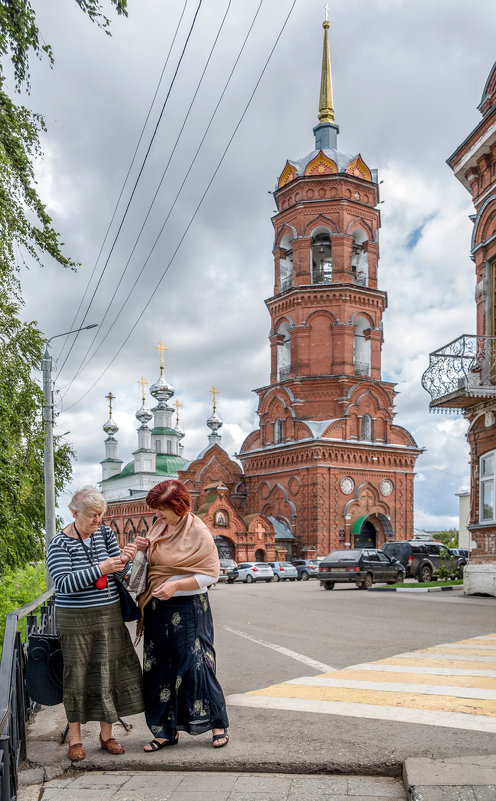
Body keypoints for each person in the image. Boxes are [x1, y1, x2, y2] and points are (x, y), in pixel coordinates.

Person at [46, 486, 143, 762]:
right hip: (75, 619)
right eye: (92, 515)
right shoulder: (59, 544)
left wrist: (129, 558)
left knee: (109, 672)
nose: (98, 520)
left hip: (108, 614)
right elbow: (63, 584)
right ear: (74, 513)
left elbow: (121, 573)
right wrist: (101, 569)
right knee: (77, 675)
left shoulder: (105, 533)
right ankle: (76, 739)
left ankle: (107, 735)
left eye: (101, 515)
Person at [135, 479, 229, 752]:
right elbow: (152, 564)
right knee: (158, 669)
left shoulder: (198, 530)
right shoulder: (159, 526)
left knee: (196, 666)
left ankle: (217, 723)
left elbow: (211, 574)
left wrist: (176, 585)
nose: (158, 514)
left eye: (163, 508)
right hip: (156, 607)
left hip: (188, 608)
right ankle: (164, 731)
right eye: (156, 508)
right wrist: (143, 549)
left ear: (179, 505)